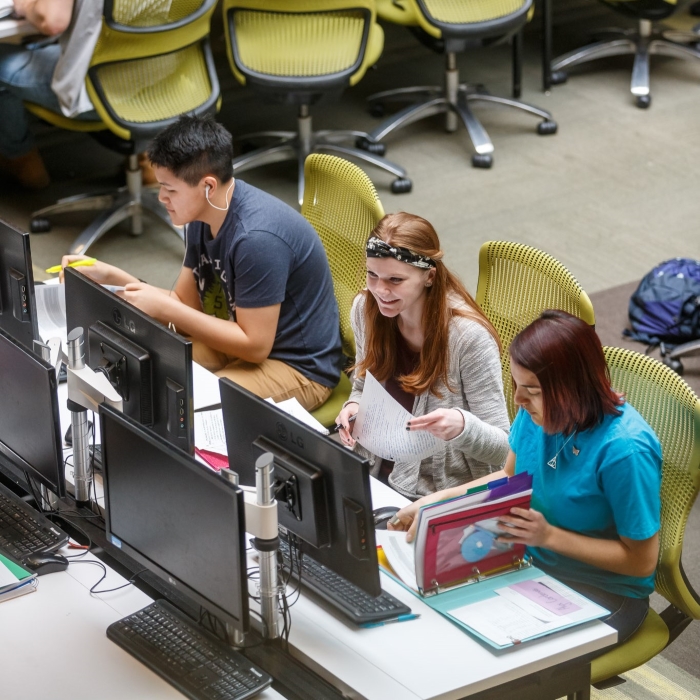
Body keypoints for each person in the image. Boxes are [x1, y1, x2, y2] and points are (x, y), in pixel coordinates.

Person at [389, 310, 662, 646]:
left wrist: (547, 536)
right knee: (438, 622)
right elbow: (509, 476)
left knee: (501, 661)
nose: (518, 399)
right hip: (531, 566)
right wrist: (437, 503)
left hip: (604, 592)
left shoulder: (625, 451)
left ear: (570, 389)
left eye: (530, 390)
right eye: (517, 385)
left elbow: (640, 561)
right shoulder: (539, 410)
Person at [61, 114, 343, 411]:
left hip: (298, 367)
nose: (161, 198)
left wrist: (166, 308)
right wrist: (113, 277)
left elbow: (255, 346)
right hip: (239, 338)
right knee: (144, 368)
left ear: (208, 186)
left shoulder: (256, 239)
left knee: (189, 407)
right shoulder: (203, 212)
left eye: (170, 190)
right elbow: (185, 302)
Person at [336, 212, 510, 499]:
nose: (380, 290)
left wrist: (462, 427)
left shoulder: (467, 338)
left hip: (440, 491)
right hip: (374, 469)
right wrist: (355, 407)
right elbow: (361, 386)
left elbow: (503, 446)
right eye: (372, 275)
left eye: (395, 279)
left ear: (429, 276)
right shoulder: (365, 310)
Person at [0, 0, 102, 188]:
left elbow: (53, 21)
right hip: (160, 93)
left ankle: (22, 162)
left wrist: (27, 6)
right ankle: (149, 162)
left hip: (100, 98)